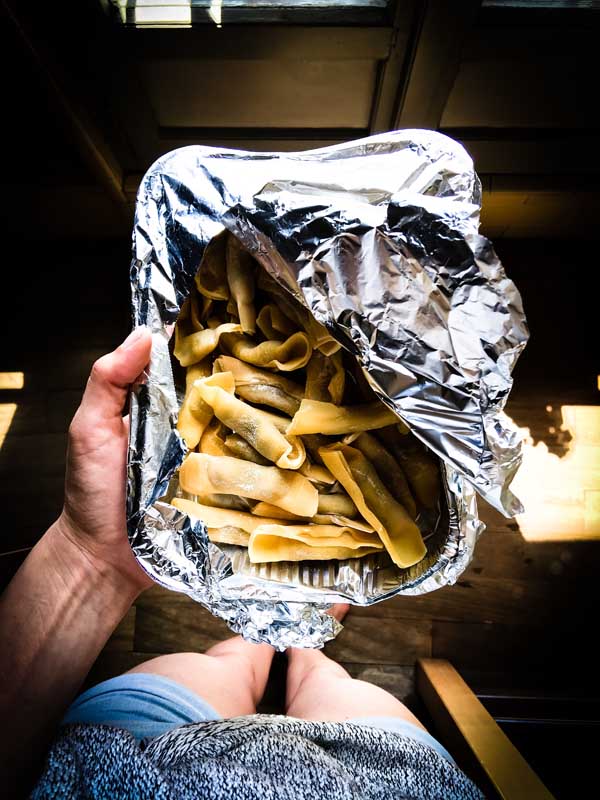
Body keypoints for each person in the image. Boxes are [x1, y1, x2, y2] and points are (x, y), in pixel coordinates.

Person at [0, 329, 484, 799]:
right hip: (387, 777)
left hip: (134, 749)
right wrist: (90, 552)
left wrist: (90, 557)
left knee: (225, 666)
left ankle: (263, 643)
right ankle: (303, 649)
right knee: (328, 683)